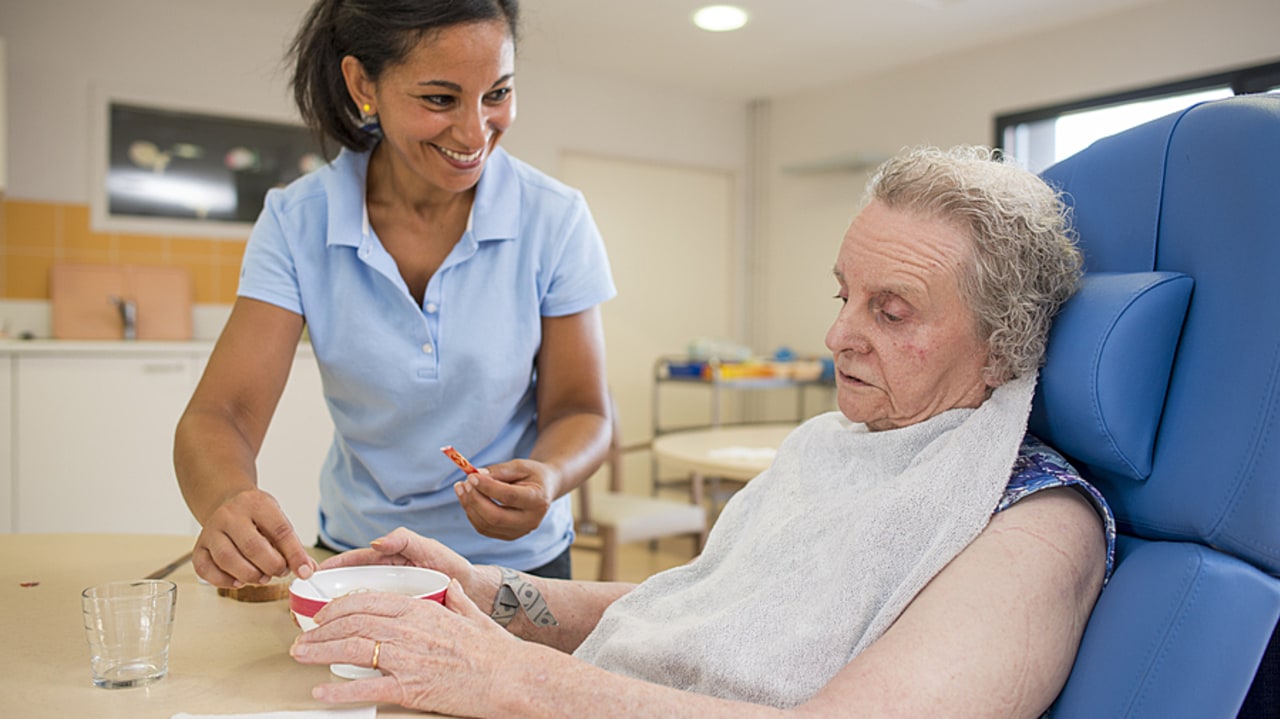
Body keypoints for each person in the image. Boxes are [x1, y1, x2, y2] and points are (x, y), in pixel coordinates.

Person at [288, 145, 1116, 717]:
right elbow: (698, 607)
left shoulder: (1036, 529)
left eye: (889, 312)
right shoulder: (834, 446)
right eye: (844, 298)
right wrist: (491, 592)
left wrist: (513, 677)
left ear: (1004, 344)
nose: (838, 337)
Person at [173, 0, 615, 588]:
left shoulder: (555, 218)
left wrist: (550, 476)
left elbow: (582, 411)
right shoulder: (298, 220)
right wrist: (227, 499)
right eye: (439, 99)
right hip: (367, 557)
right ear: (363, 84)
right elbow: (220, 414)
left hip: (520, 567)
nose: (474, 131)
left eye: (498, 93)